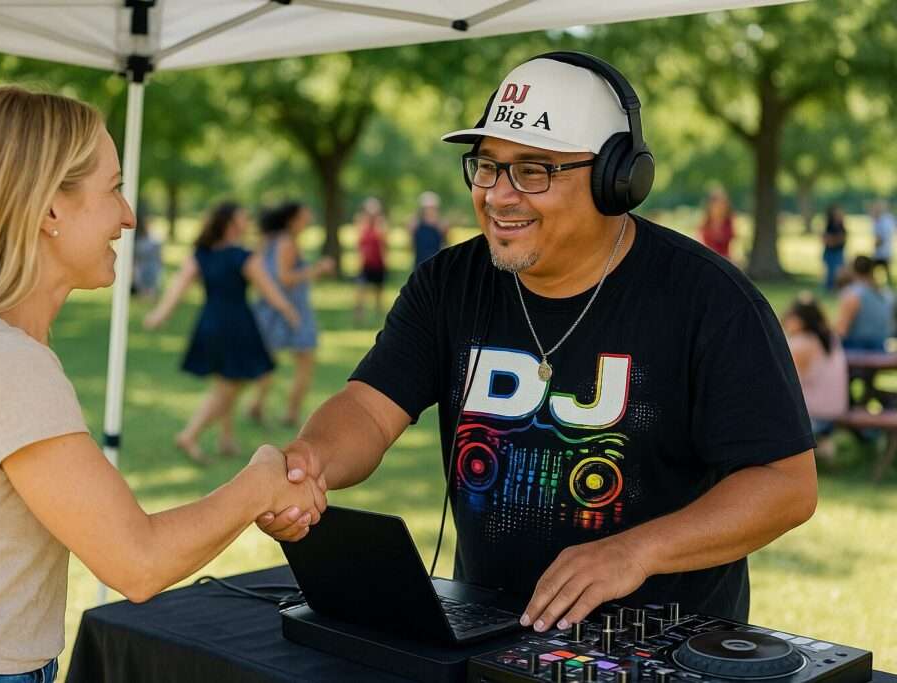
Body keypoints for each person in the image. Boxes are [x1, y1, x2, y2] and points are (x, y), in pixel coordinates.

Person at [256, 52, 817, 627]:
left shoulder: (711, 300)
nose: (499, 194)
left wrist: (635, 552)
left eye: (533, 170)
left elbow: (784, 486)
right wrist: (310, 460)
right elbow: (369, 411)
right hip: (488, 631)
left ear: (614, 180)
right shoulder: (448, 282)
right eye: (488, 166)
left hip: (656, 640)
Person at [0, 87, 323, 681]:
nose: (129, 214)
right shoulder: (2, 360)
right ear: (49, 210)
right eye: (113, 188)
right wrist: (260, 483)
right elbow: (135, 562)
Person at [144, 202, 300, 460]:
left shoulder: (201, 254)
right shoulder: (243, 256)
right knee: (230, 385)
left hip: (210, 322)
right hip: (236, 324)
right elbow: (269, 289)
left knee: (227, 379)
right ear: (231, 224)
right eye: (242, 218)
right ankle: (190, 435)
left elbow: (178, 287)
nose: (247, 222)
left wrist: (160, 315)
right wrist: (288, 310)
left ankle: (226, 439)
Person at [249, 201, 334, 427]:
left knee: (268, 361)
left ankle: (257, 405)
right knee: (305, 361)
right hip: (290, 308)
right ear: (292, 219)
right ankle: (290, 413)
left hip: (270, 307)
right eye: (305, 216)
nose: (309, 218)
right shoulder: (286, 242)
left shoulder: (270, 240)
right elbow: (284, 278)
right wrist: (317, 269)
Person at [782, 293, 848, 462]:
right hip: (837, 406)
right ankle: (824, 444)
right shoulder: (831, 338)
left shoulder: (801, 344)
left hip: (815, 412)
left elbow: (786, 385)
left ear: (799, 320)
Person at [836, 254, 894, 352]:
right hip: (880, 348)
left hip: (856, 349)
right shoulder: (886, 295)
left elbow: (841, 330)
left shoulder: (852, 294)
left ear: (852, 270)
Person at [353, 197, 388, 325]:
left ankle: (379, 318)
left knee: (379, 293)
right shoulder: (362, 224)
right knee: (360, 291)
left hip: (379, 264)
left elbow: (384, 243)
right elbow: (359, 242)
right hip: (365, 264)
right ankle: (358, 318)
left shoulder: (381, 225)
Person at [132, 198, 163, 300]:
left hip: (151, 264)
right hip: (141, 265)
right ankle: (143, 293)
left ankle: (149, 293)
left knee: (151, 274)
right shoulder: (137, 237)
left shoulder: (154, 236)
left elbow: (158, 254)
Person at [411, 190, 448, 266]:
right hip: (420, 260)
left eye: (432, 208)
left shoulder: (441, 225)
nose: (430, 210)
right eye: (427, 208)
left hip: (436, 261)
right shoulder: (416, 224)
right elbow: (412, 244)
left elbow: (444, 243)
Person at [696, 187, 735, 261]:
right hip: (708, 260)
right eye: (718, 203)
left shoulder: (729, 222)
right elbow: (700, 243)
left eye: (724, 203)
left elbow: (733, 246)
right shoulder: (705, 223)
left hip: (725, 260)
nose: (721, 207)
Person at [822, 204, 847, 292]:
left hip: (839, 252)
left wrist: (835, 240)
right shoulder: (830, 226)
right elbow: (828, 241)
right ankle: (829, 288)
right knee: (831, 272)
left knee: (840, 271)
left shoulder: (841, 226)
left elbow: (842, 239)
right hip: (830, 252)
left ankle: (836, 288)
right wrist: (835, 240)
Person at [870, 200, 895, 285]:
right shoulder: (889, 219)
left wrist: (875, 244)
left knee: (871, 270)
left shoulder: (881, 221)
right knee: (886, 270)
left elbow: (880, 238)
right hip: (887, 250)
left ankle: (873, 285)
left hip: (881, 252)